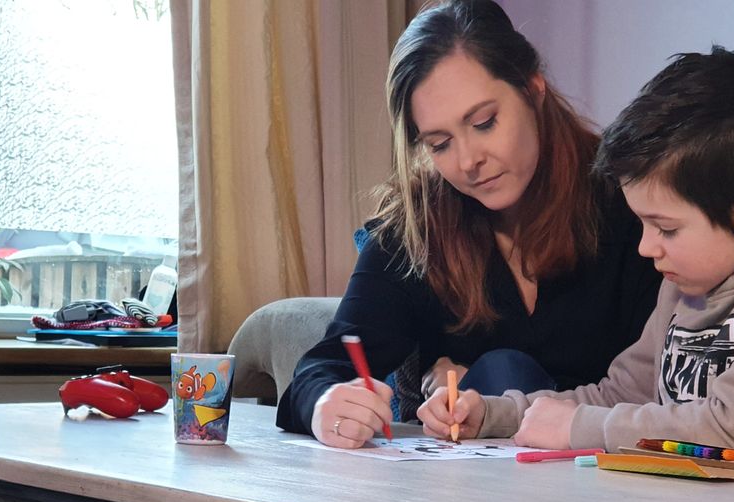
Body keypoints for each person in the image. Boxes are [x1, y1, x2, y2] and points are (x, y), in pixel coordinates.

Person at [419, 47, 734, 484]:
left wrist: (578, 429)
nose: (646, 248)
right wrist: (496, 415)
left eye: (666, 228)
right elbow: (622, 393)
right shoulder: (689, 279)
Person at [275, 0, 662, 448]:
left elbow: (669, 384)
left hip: (620, 482)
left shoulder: (632, 204)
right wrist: (328, 404)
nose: (467, 162)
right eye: (439, 144)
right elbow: (320, 371)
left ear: (533, 90)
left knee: (504, 369)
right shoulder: (418, 228)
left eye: (484, 122)